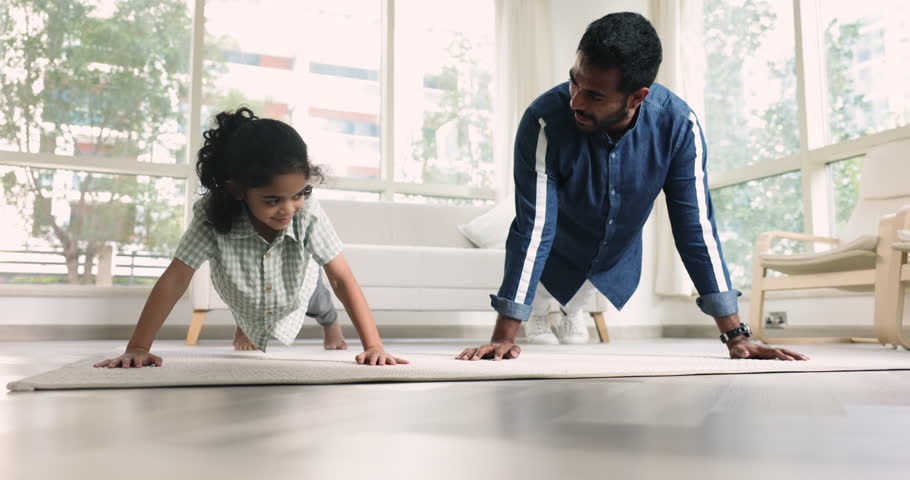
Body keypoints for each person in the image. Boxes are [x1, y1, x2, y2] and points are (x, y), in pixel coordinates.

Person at [457, 12, 808, 361]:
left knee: (594, 278)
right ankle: (539, 310)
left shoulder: (679, 127)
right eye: (573, 82)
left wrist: (736, 335)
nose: (576, 101)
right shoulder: (545, 120)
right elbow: (534, 228)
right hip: (558, 242)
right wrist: (504, 334)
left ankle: (569, 312)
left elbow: (695, 228)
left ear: (636, 97)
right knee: (546, 266)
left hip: (616, 247)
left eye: (594, 96)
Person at [95, 107, 407, 368]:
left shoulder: (307, 212)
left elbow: (341, 279)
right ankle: (246, 326)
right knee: (249, 305)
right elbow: (175, 279)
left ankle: (330, 327)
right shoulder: (211, 216)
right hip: (243, 291)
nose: (288, 209)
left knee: (320, 302)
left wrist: (374, 345)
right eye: (272, 200)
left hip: (298, 285)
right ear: (237, 190)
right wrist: (138, 346)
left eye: (299, 194)